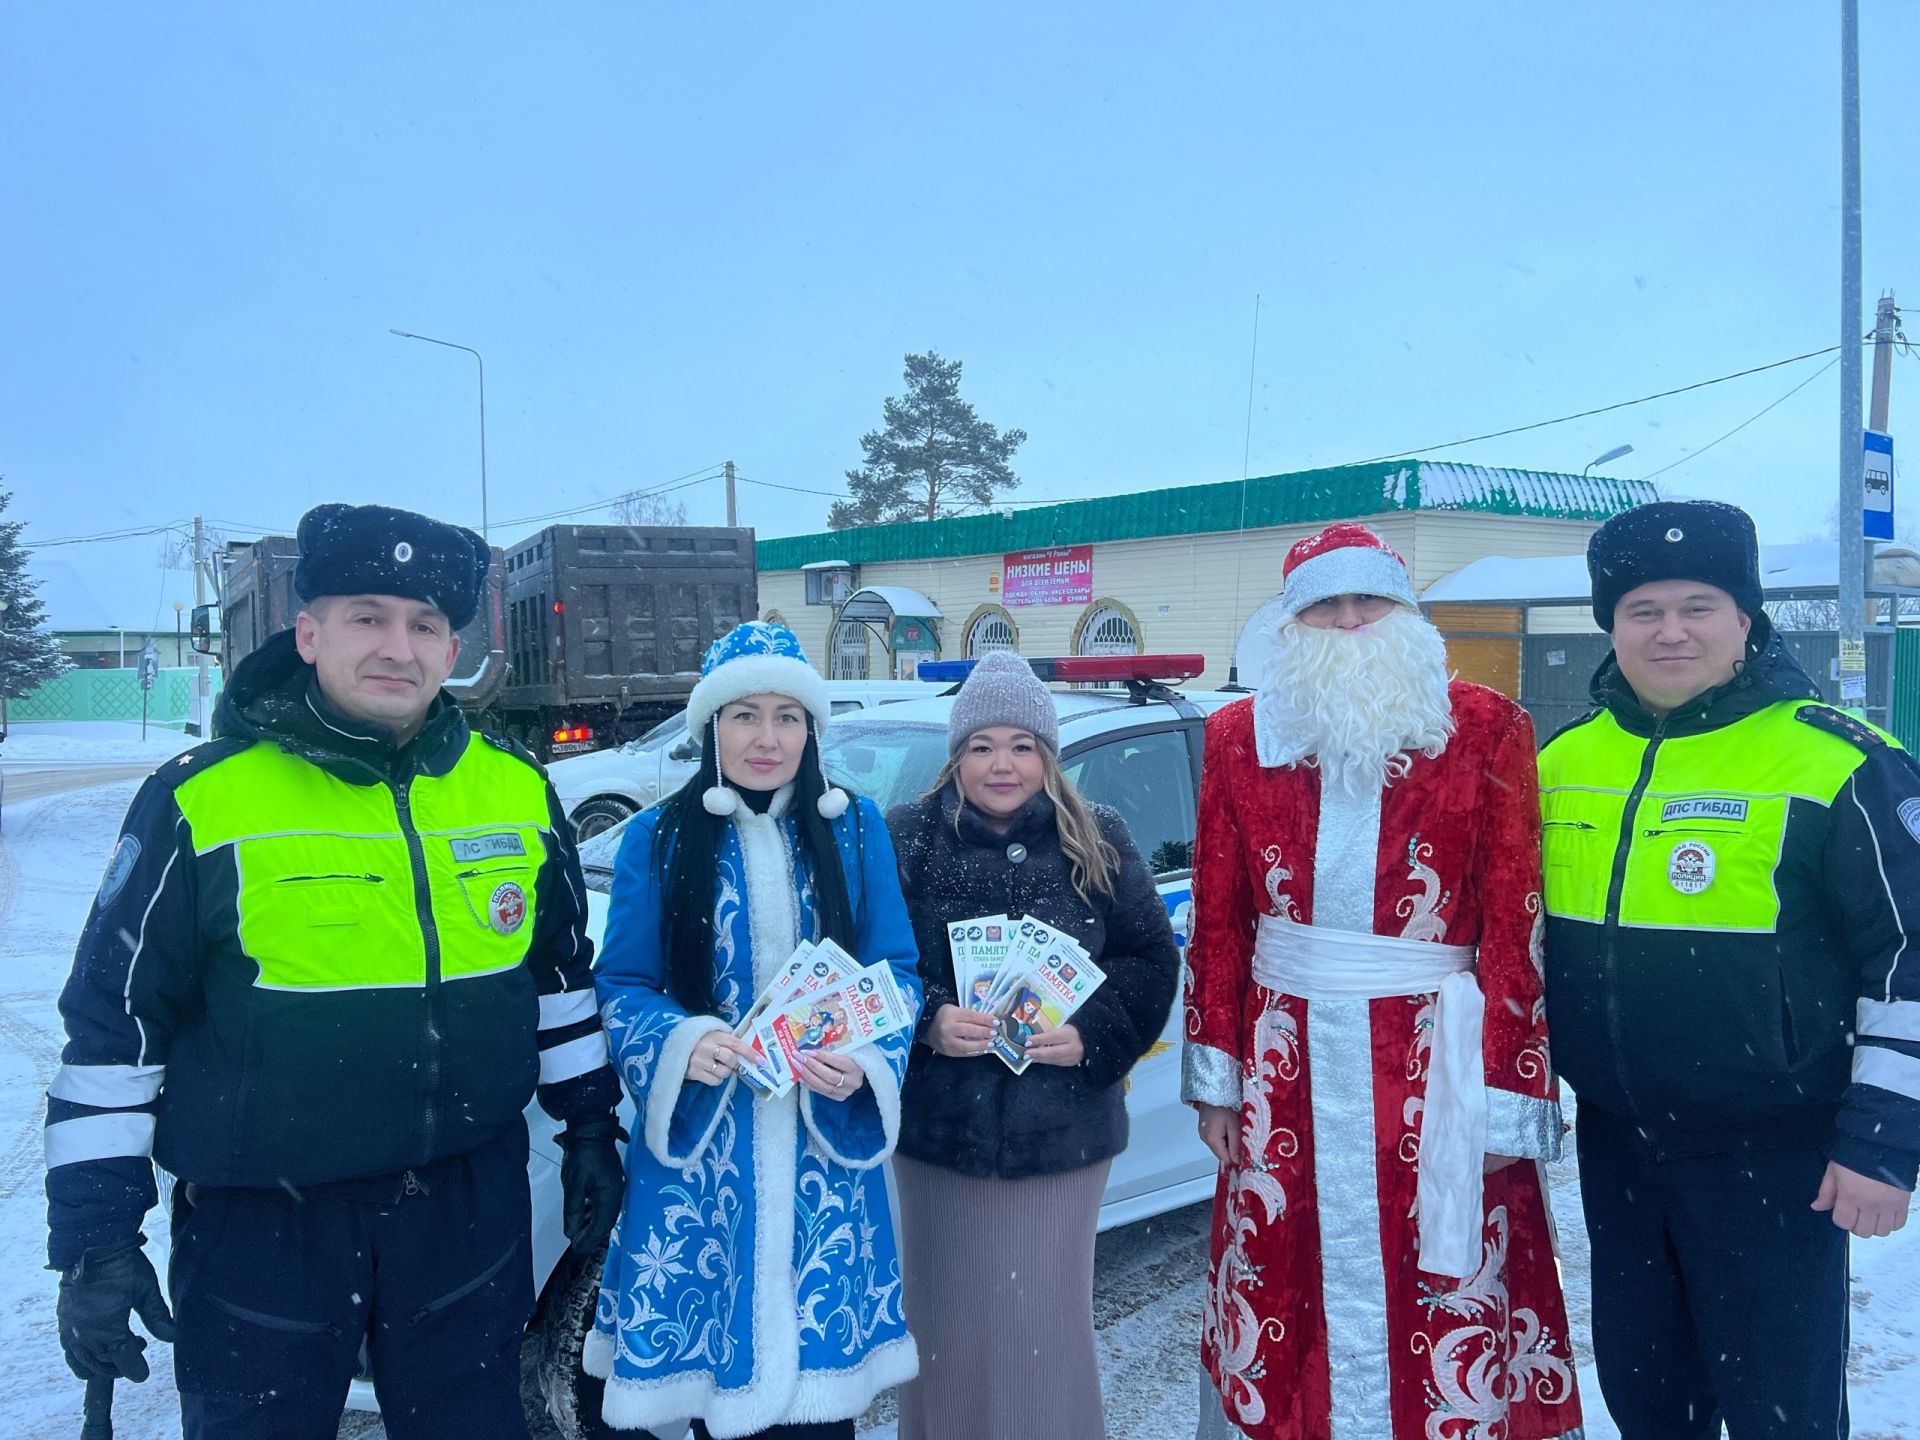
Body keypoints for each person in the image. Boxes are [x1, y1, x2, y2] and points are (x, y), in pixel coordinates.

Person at [46, 503, 623, 1440]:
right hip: (265, 1232)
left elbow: (558, 983)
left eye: (426, 624)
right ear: (309, 633)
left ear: (452, 649)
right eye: (368, 615)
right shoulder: (202, 799)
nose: (398, 646)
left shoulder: (517, 791)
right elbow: (116, 1030)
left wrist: (591, 1127)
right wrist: (97, 1238)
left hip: (466, 1217)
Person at [1183, 523, 1583, 1440]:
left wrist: (1507, 1094)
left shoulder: (1484, 725)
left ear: (1407, 615)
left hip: (1434, 1059)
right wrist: (1214, 1081)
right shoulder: (1239, 738)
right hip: (1287, 1069)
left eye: (1372, 601)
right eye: (1328, 604)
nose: (1353, 621)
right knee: (1288, 1261)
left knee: (1442, 1270)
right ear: (1292, 622)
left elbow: (1515, 929)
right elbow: (1217, 920)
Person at [1540, 499, 1919, 1438]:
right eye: (1643, 609)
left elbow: (1909, 961)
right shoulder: (1560, 762)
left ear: (1746, 618)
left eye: (1698, 605)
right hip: (1620, 1147)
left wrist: (1880, 1142)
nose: (1671, 631)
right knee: (1647, 1400)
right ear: (1611, 626)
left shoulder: (1836, 759)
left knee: (1776, 1412)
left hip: (1774, 1156)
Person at [586, 621, 921, 1440]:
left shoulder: (854, 828)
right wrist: (679, 1043)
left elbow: (899, 974)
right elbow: (624, 982)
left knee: (820, 1410)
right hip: (705, 1170)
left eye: (787, 716)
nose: (766, 738)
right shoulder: (657, 839)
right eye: (743, 715)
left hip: (824, 1161)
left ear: (811, 730)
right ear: (710, 728)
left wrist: (866, 1059)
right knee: (713, 1399)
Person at [885, 649, 1180, 1440]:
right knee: (941, 1323)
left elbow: (1151, 960)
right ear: (956, 757)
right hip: (938, 1132)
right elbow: (873, 965)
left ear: (1048, 756)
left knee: (1042, 1328)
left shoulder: (1099, 834)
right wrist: (930, 1020)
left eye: (1022, 745)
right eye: (982, 746)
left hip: (1063, 1131)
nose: (1002, 764)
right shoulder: (907, 835)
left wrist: (1091, 1037)